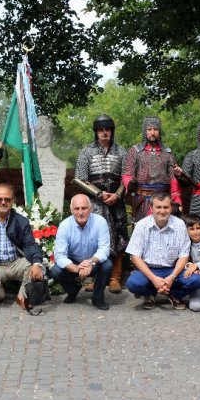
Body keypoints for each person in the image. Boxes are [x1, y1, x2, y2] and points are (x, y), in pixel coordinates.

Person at [74, 114, 128, 293]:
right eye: (101, 129)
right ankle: (97, 278)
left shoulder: (121, 152)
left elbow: (126, 179)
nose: (104, 133)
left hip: (116, 202)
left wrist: (117, 195)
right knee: (95, 240)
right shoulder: (86, 152)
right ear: (96, 132)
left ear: (112, 131)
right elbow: (79, 179)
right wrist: (99, 193)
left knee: (119, 238)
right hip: (96, 203)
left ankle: (115, 277)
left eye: (107, 129)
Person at [125, 192, 200, 310]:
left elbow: (184, 255)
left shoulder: (179, 224)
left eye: (166, 207)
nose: (162, 211)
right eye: (158, 207)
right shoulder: (142, 225)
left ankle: (174, 294)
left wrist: (172, 277)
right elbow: (135, 256)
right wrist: (153, 278)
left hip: (172, 269)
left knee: (197, 280)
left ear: (171, 208)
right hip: (149, 269)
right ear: (151, 208)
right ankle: (150, 293)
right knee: (133, 284)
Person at [0, 183, 44, 306]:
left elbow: (30, 245)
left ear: (12, 201)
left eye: (7, 199)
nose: (3, 202)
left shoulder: (21, 221)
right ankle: (0, 295)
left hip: (16, 263)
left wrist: (37, 263)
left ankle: (21, 297)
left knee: (35, 267)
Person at [50, 194, 112, 310]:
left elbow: (104, 249)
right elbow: (59, 255)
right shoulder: (64, 225)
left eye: (84, 208)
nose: (80, 212)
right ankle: (73, 290)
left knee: (107, 265)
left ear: (91, 208)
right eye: (77, 209)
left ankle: (98, 298)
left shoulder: (100, 222)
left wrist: (90, 262)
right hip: (74, 263)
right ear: (71, 210)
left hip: (93, 262)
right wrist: (76, 268)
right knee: (55, 270)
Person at [122, 116, 182, 222]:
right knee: (143, 230)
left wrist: (176, 200)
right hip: (142, 199)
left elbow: (173, 180)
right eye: (149, 129)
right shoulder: (135, 151)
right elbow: (127, 173)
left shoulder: (168, 153)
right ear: (145, 131)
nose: (153, 132)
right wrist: (129, 183)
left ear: (159, 132)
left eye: (156, 129)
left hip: (163, 199)